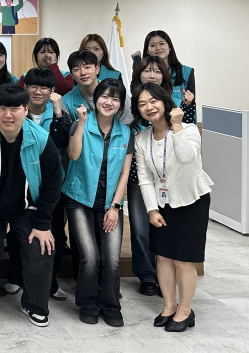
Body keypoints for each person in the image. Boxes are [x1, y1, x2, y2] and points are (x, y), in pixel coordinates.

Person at [0, 84, 62, 328]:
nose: (8, 115)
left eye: (15, 108)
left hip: (26, 208)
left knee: (41, 248)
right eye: (1, 108)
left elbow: (53, 181)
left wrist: (43, 223)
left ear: (26, 109)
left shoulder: (40, 138)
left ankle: (35, 305)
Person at [132, 83, 212, 333]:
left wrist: (176, 126)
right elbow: (144, 178)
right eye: (142, 104)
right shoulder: (141, 139)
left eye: (153, 101)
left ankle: (185, 310)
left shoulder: (188, 130)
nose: (148, 107)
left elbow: (187, 158)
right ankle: (169, 306)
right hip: (162, 203)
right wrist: (151, 209)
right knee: (163, 257)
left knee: (183, 260)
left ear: (164, 102)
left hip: (191, 201)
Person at [64, 79, 132, 326]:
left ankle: (111, 305)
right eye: (105, 96)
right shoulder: (80, 123)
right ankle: (88, 303)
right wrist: (81, 123)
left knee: (112, 259)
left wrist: (115, 207)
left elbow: (124, 173)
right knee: (90, 257)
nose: (109, 102)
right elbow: (73, 155)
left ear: (121, 104)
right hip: (79, 199)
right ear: (96, 99)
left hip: (110, 203)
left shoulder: (126, 132)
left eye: (115, 98)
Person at [127, 56, 197, 296]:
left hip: (176, 184)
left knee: (171, 237)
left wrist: (181, 117)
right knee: (143, 229)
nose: (152, 75)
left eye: (157, 71)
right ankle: (149, 276)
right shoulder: (134, 111)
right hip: (143, 176)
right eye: (147, 70)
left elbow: (187, 152)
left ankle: (172, 285)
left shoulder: (178, 109)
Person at [4, 68, 72, 301]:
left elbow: (62, 142)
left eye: (44, 87)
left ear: (52, 91)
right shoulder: (16, 112)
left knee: (55, 234)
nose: (38, 91)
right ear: (25, 87)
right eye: (33, 86)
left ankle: (51, 282)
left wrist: (57, 112)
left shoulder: (60, 113)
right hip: (20, 182)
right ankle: (16, 277)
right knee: (17, 233)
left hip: (52, 184)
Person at [133, 30, 197, 121]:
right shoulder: (142, 72)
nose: (158, 48)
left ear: (169, 47)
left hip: (178, 120)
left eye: (161, 43)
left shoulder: (186, 72)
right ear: (147, 50)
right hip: (146, 121)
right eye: (152, 45)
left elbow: (190, 102)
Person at [62, 51, 132, 125]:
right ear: (72, 75)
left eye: (87, 67)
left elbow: (127, 126)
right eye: (76, 69)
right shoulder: (65, 102)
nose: (83, 73)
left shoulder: (118, 93)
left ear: (97, 69)